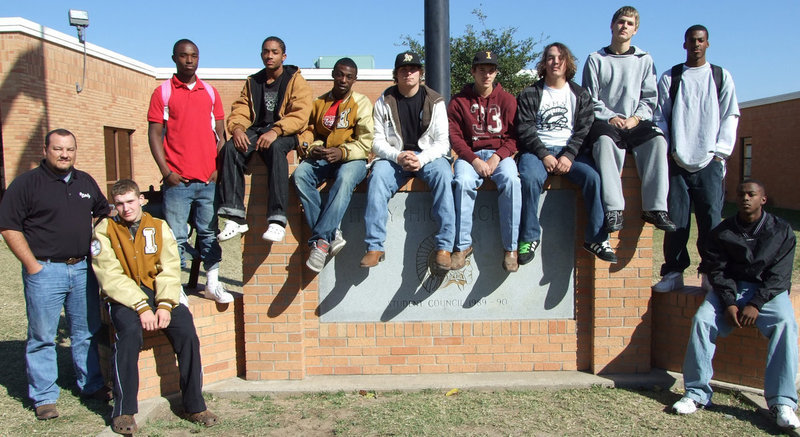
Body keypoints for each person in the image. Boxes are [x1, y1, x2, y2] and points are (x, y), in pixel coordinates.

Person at [92, 179, 219, 434]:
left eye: (130, 201)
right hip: (124, 296)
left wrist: (164, 304)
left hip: (158, 291)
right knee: (128, 334)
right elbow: (109, 275)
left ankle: (194, 405)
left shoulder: (159, 226)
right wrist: (141, 306)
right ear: (114, 205)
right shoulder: (105, 229)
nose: (126, 208)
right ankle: (124, 411)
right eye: (120, 203)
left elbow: (169, 268)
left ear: (141, 200)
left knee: (186, 332)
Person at [0, 129, 111, 420]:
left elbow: (103, 211)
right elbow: (9, 226)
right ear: (46, 150)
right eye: (58, 149)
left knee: (85, 332)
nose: (65, 154)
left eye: (70, 149)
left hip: (82, 269)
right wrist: (32, 265)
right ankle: (45, 396)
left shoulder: (85, 181)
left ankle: (91, 384)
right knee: (42, 336)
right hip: (45, 271)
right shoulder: (26, 184)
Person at [671, 180, 800, 430]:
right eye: (741, 194)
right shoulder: (723, 231)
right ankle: (696, 394)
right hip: (730, 289)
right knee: (702, 320)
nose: (745, 198)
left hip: (768, 292)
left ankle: (782, 403)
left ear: (763, 199)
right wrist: (730, 303)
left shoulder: (781, 230)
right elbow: (717, 271)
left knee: (786, 323)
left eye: (752, 194)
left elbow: (780, 276)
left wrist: (756, 304)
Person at [652, 25, 740, 292]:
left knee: (711, 220)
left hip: (710, 162)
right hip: (677, 161)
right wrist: (668, 150)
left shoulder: (720, 76)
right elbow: (660, 117)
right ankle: (673, 272)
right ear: (684, 44)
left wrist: (720, 153)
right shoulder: (672, 77)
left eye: (701, 40)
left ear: (707, 44)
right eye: (692, 40)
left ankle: (711, 272)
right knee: (676, 220)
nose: (696, 45)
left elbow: (730, 115)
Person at [147, 39, 233, 304]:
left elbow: (221, 135)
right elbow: (154, 135)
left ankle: (212, 284)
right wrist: (166, 172)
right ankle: (176, 289)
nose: (189, 60)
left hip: (208, 181)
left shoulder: (210, 92)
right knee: (175, 237)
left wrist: (218, 169)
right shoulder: (162, 92)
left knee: (209, 234)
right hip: (178, 183)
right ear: (174, 58)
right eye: (184, 55)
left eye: (194, 55)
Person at [516, 43, 618, 266]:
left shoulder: (580, 95)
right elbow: (524, 128)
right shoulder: (530, 93)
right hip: (537, 152)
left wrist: (569, 155)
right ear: (544, 63)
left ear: (567, 62)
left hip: (570, 153)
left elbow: (584, 129)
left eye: (560, 58)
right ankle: (529, 237)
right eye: (550, 57)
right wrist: (544, 154)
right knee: (529, 179)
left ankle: (596, 239)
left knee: (593, 178)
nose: (555, 62)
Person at [581, 5, 676, 233]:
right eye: (621, 22)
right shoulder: (596, 59)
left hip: (635, 121)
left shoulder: (644, 60)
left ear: (635, 30)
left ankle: (655, 208)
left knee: (658, 141)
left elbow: (650, 98)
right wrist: (611, 117)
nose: (624, 26)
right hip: (606, 122)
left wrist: (636, 118)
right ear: (612, 25)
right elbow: (590, 98)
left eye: (630, 24)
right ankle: (613, 209)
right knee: (604, 144)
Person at [360, 51, 454, 270]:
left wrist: (421, 159)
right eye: (403, 69)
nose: (408, 73)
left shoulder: (435, 101)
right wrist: (398, 156)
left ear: (420, 73)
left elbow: (443, 143)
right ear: (396, 73)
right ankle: (374, 246)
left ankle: (444, 247)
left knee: (444, 175)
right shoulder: (384, 100)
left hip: (428, 157)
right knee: (377, 177)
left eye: (413, 69)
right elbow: (376, 141)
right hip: (395, 158)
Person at [216, 36, 312, 243]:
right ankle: (235, 217)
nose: (270, 56)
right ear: (261, 55)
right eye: (266, 52)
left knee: (276, 148)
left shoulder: (295, 80)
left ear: (283, 56)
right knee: (231, 148)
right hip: (258, 130)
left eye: (275, 52)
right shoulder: (253, 81)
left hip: (287, 132)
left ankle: (277, 220)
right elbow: (241, 108)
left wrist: (276, 130)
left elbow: (301, 115)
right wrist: (238, 129)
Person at [293, 58, 373, 272]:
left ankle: (320, 242)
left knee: (345, 178)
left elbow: (366, 142)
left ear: (355, 79)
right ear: (333, 75)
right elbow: (309, 132)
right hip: (325, 156)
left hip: (353, 159)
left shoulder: (362, 103)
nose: (343, 80)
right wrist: (312, 148)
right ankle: (332, 233)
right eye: (340, 74)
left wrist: (343, 152)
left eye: (349, 76)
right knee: (300, 175)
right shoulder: (319, 103)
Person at [448, 50, 521, 272]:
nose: (486, 75)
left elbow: (515, 137)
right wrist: (474, 160)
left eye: (491, 70)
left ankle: (511, 248)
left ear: (496, 73)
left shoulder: (507, 100)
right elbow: (454, 136)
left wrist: (498, 156)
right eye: (482, 70)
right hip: (470, 156)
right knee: (462, 182)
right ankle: (462, 246)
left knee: (511, 180)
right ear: (473, 71)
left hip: (500, 155)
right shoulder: (458, 101)